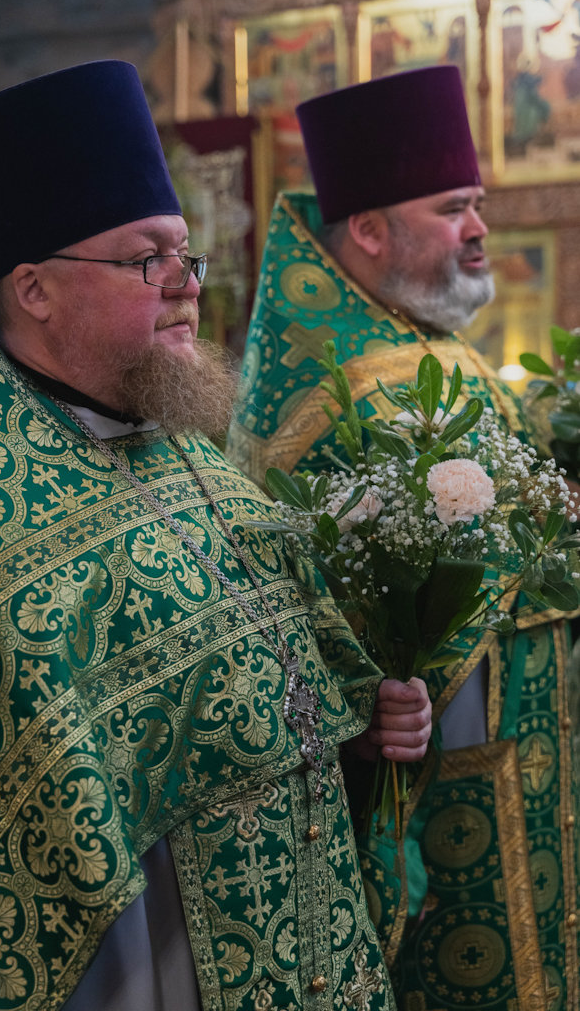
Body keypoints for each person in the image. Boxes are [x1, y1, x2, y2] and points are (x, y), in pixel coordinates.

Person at [0, 61, 432, 1011]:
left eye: (187, 253)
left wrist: (363, 722)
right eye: (148, 259)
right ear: (35, 289)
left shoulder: (192, 460)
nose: (187, 285)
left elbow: (282, 695)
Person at [227, 66, 577, 1011]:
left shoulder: (439, 345)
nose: (479, 228)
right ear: (371, 231)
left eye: (477, 204)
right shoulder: (319, 387)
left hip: (533, 745)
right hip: (437, 780)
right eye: (452, 208)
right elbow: (292, 606)